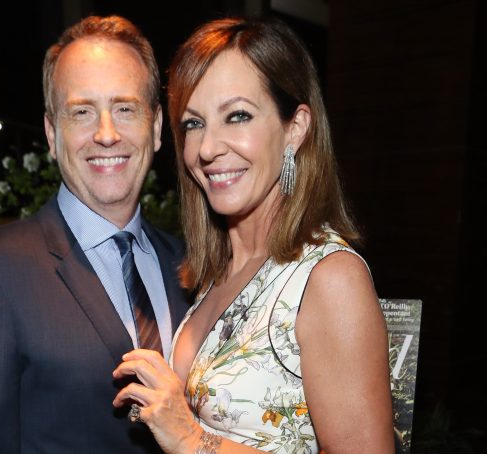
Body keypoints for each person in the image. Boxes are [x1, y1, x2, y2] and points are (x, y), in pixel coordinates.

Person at [112, 17, 395, 453]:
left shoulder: (328, 279)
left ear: (295, 128)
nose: (207, 148)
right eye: (193, 124)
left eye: (237, 116)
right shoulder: (219, 272)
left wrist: (190, 436)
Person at [0, 15, 189, 453]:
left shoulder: (190, 266)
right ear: (52, 134)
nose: (106, 134)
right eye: (82, 112)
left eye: (125, 108)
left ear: (157, 126)